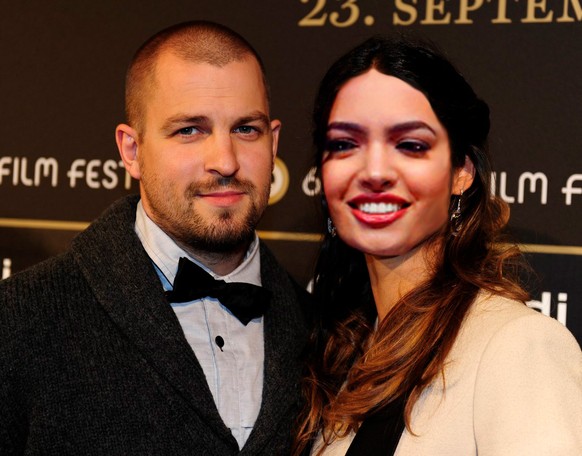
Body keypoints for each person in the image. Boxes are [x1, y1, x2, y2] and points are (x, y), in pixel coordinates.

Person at [0, 21, 310, 455]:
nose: (224, 161)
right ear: (132, 151)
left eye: (245, 129)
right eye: (189, 130)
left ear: (273, 142)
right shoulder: (19, 320)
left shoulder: (326, 336)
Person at [293, 36, 582, 456]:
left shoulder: (516, 346)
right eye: (345, 144)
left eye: (410, 145)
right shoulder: (338, 356)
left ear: (462, 172)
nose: (374, 171)